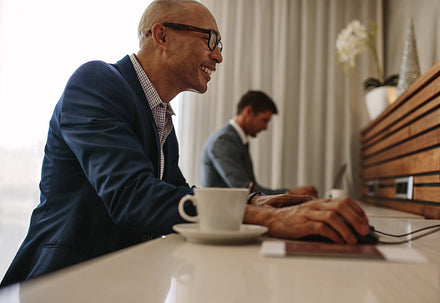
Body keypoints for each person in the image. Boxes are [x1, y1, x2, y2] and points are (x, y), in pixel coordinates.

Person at [0, 0, 370, 288]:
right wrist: (267, 219)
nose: (219, 55)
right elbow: (132, 195)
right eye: (210, 40)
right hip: (61, 285)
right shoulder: (96, 81)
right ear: (162, 36)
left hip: (124, 285)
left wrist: (255, 200)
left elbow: (178, 192)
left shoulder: (160, 114)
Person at [201, 90, 318, 196]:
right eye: (264, 120)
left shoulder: (236, 140)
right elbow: (245, 189)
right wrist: (288, 194)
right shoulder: (224, 141)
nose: (265, 127)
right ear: (248, 111)